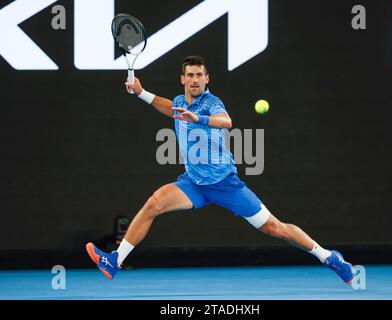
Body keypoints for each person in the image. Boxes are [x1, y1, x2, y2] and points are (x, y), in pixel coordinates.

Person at [86, 55, 355, 284]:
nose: (194, 79)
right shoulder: (181, 100)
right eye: (190, 75)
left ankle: (328, 257)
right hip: (193, 184)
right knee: (154, 203)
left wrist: (198, 118)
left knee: (275, 227)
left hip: (225, 184)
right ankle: (115, 261)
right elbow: (169, 107)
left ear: (207, 79)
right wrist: (141, 92)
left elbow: (226, 122)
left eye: (199, 75)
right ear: (182, 79)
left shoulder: (212, 103)